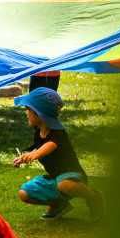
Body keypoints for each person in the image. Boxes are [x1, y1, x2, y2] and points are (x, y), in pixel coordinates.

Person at [11, 87, 105, 221]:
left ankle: (93, 197)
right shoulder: (39, 132)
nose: (26, 113)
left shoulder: (58, 134)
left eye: (28, 110)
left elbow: (50, 145)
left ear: (38, 113)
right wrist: (24, 157)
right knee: (24, 193)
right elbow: (40, 147)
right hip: (55, 179)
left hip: (73, 177)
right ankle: (59, 204)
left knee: (63, 184)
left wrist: (37, 153)